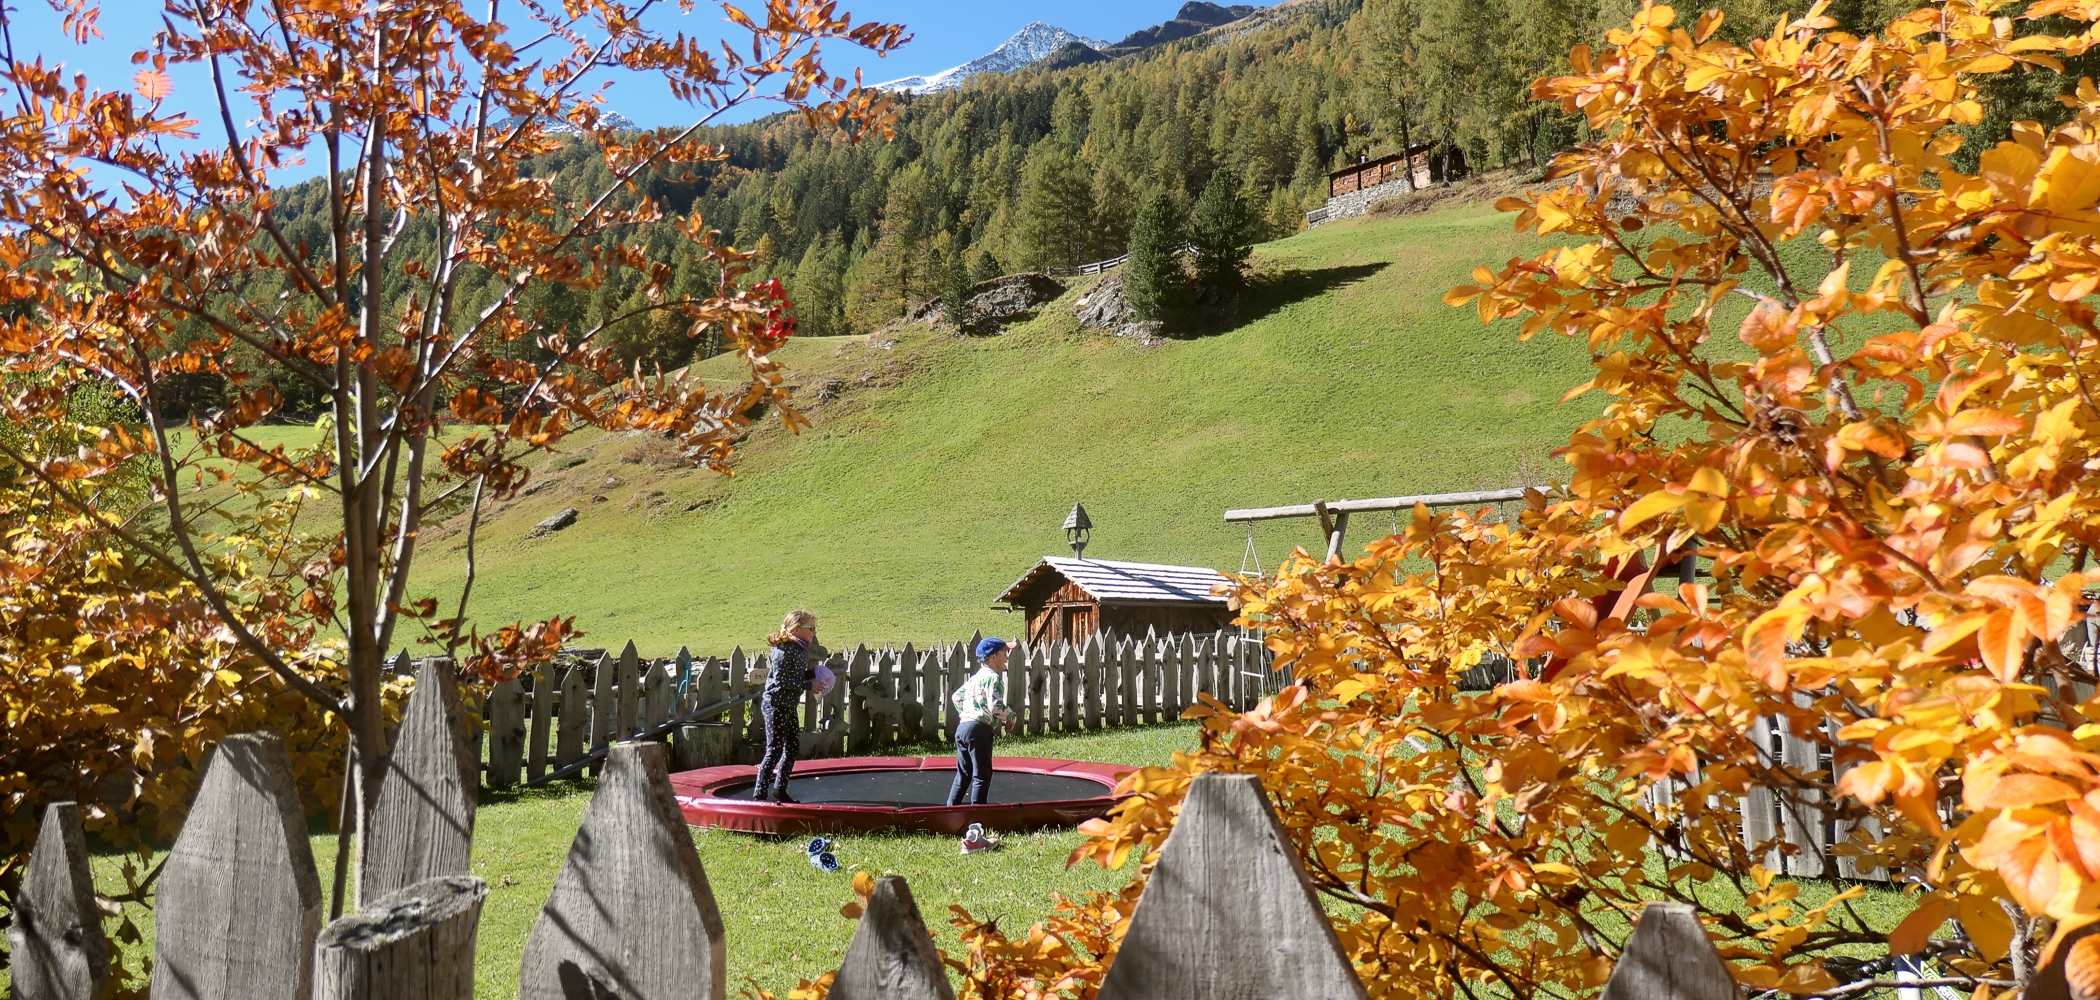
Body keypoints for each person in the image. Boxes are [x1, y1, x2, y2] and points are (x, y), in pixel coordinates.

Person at [754, 609, 817, 803]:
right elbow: (781, 680)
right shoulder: (783, 649)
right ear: (797, 629)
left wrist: (814, 673)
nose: (814, 632)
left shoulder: (800, 648)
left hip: (789, 704)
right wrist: (808, 684)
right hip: (775, 704)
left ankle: (780, 789)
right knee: (774, 749)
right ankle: (759, 795)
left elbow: (795, 677)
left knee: (792, 747)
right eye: (811, 628)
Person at [947, 637, 1017, 807]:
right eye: (1004, 653)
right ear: (993, 656)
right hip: (979, 730)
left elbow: (956, 697)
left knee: (963, 774)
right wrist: (1011, 716)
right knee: (981, 774)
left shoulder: (975, 678)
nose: (1007, 658)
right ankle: (977, 815)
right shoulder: (994, 678)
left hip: (963, 727)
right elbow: (995, 706)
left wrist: (967, 713)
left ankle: (949, 809)